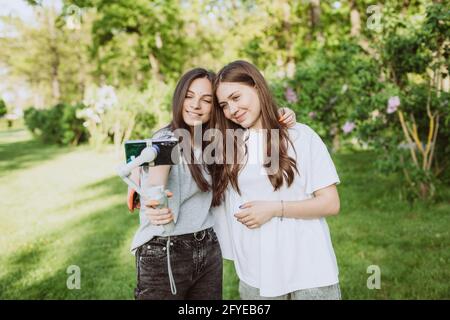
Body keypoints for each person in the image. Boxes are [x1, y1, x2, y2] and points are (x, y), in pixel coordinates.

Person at [126, 67, 296, 300]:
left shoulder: (216, 141)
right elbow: (157, 176)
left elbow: (255, 124)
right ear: (179, 97)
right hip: (164, 251)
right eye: (189, 96)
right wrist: (153, 200)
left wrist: (283, 113)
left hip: (207, 248)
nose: (196, 105)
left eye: (206, 100)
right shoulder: (166, 140)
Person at [211, 60, 342, 300]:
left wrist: (275, 209)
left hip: (309, 271)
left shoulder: (301, 137)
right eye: (224, 105)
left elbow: (330, 203)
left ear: (257, 87)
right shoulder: (230, 147)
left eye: (236, 97)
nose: (232, 109)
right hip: (257, 275)